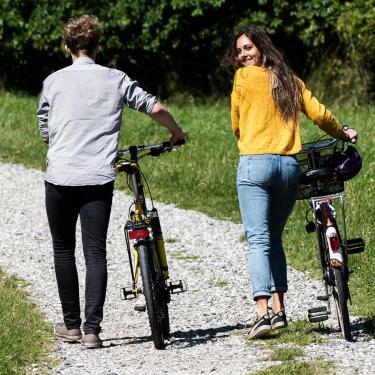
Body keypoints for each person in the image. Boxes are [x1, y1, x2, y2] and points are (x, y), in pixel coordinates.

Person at [36, 15, 187, 349]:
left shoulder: (52, 82)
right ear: (97, 47)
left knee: (63, 250)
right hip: (97, 177)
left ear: (67, 48)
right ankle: (92, 331)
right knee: (94, 251)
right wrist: (176, 133)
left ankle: (71, 326)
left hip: (59, 176)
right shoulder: (116, 79)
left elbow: (45, 130)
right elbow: (154, 106)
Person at [222, 25, 357, 339]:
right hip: (287, 167)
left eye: (248, 48)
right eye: (240, 50)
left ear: (262, 49)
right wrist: (343, 132)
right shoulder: (289, 80)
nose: (243, 55)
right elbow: (320, 115)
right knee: (274, 238)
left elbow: (236, 126)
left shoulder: (242, 79)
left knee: (258, 240)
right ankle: (280, 311)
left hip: (255, 166)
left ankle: (262, 315)